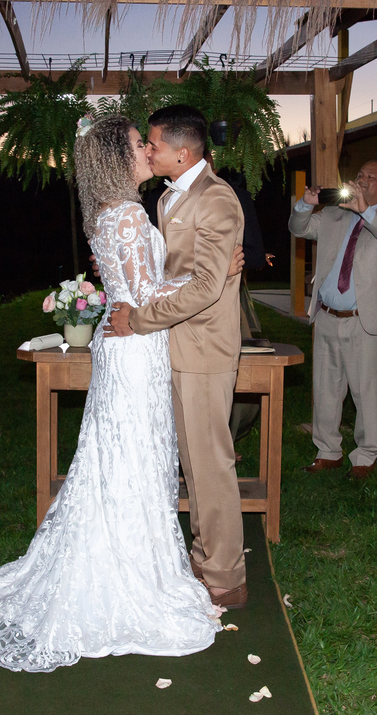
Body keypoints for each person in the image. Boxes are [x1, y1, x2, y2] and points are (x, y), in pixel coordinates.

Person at [0, 115, 227, 673]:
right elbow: (144, 293)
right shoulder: (130, 214)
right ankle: (133, 574)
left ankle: (119, 554)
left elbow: (130, 291)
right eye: (140, 144)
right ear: (117, 156)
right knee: (131, 457)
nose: (148, 151)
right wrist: (215, 274)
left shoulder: (108, 214)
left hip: (125, 347)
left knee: (117, 457)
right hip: (136, 351)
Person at [106, 105, 248, 610]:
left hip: (203, 349)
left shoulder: (215, 199)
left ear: (182, 152)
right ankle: (203, 553)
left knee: (209, 464)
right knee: (192, 460)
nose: (147, 149)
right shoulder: (168, 198)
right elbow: (179, 271)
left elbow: (207, 288)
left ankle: (226, 577)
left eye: (154, 144)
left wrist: (138, 320)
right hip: (172, 345)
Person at [289, 161, 377, 478]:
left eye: (370, 177)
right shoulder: (333, 215)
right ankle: (328, 451)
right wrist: (306, 203)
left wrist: (365, 212)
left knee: (366, 390)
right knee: (326, 389)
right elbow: (298, 228)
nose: (361, 181)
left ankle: (365, 456)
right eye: (359, 176)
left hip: (366, 320)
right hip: (328, 316)